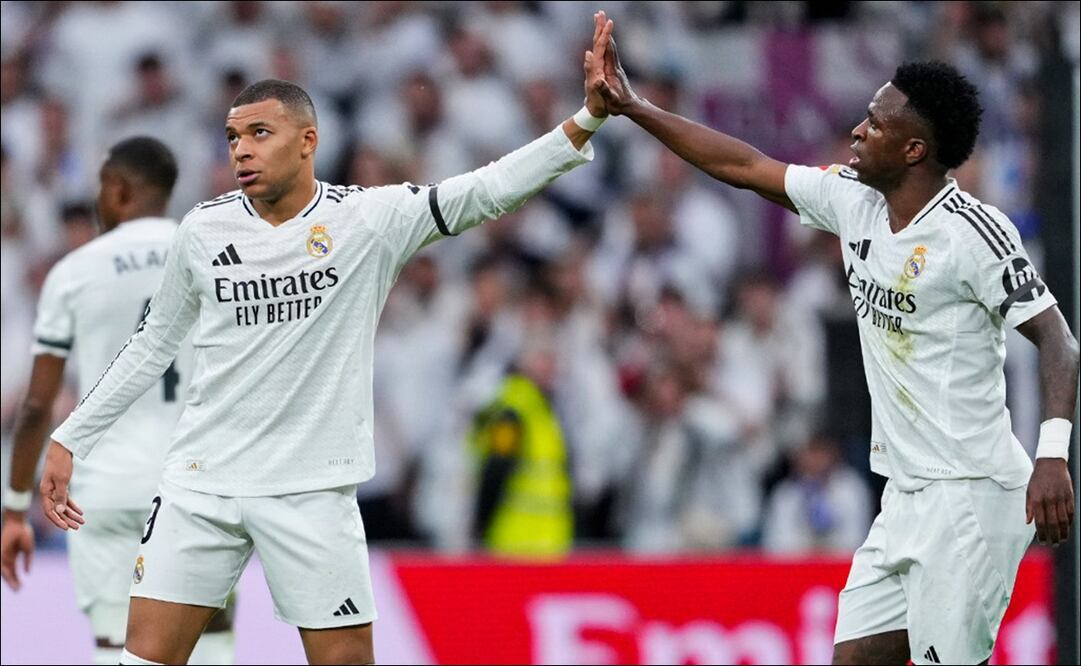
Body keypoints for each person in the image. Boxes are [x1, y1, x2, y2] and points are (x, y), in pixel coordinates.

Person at [37, 14, 616, 666]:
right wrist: (71, 436)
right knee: (141, 660)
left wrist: (583, 122)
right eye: (232, 138)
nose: (241, 151)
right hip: (202, 483)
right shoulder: (202, 232)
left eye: (260, 133)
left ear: (308, 140)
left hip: (311, 491)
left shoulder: (367, 219)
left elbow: (484, 192)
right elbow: (150, 345)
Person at [592, 11, 1078, 665]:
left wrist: (1051, 455)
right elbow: (742, 163)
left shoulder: (973, 234)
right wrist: (633, 107)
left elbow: (1056, 340)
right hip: (903, 495)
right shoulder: (851, 200)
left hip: (969, 497)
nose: (856, 129)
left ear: (912, 150)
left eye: (875, 123)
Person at [0, 137, 236, 665]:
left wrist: (14, 510)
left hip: (101, 493)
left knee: (115, 645)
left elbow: (37, 406)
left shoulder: (75, 271)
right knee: (209, 639)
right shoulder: (218, 256)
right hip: (197, 483)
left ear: (119, 188)